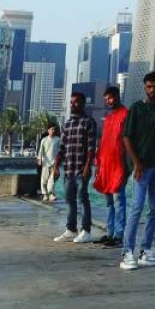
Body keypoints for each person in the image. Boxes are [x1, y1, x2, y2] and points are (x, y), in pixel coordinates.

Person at [120, 72, 155, 270]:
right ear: (145, 88)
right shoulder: (136, 108)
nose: (152, 90)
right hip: (142, 168)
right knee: (136, 208)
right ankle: (127, 252)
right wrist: (137, 163)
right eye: (149, 87)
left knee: (154, 209)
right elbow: (127, 137)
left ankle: (146, 249)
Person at [53, 93, 96, 243]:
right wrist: (56, 166)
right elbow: (62, 148)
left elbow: (91, 147)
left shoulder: (89, 122)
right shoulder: (67, 123)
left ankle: (86, 230)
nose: (72, 105)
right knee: (69, 199)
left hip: (81, 168)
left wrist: (88, 166)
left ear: (83, 104)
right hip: (68, 169)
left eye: (76, 102)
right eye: (71, 102)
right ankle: (71, 229)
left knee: (82, 198)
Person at [93, 86, 129, 247]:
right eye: (106, 98)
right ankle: (110, 233)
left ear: (117, 97)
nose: (108, 101)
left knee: (118, 201)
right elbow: (102, 142)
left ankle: (119, 235)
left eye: (111, 98)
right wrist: (97, 165)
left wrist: (129, 166)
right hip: (105, 166)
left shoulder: (126, 115)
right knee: (109, 202)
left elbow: (129, 140)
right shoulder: (108, 118)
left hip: (119, 165)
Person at [37, 125, 60, 201]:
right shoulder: (44, 140)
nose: (53, 131)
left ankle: (50, 194)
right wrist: (39, 159)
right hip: (45, 162)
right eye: (51, 129)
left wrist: (59, 161)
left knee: (52, 179)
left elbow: (60, 151)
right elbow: (41, 150)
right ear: (48, 130)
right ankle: (45, 194)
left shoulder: (58, 140)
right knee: (44, 179)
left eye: (54, 129)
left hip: (54, 162)